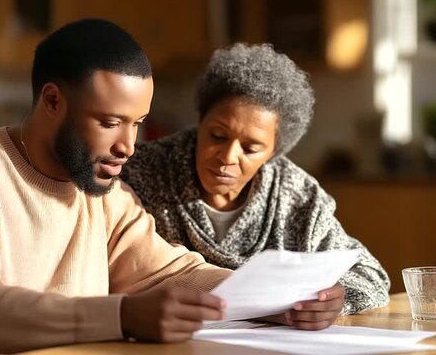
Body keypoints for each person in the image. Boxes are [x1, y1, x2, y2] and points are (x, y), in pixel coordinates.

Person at [0, 19, 232, 354]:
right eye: (110, 123)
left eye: (137, 124)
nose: (128, 145)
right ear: (53, 101)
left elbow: (171, 274)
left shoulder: (106, 195)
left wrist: (274, 299)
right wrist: (121, 315)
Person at [121, 43, 391, 322]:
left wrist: (336, 297)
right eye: (217, 135)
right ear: (200, 120)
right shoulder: (141, 173)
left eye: (250, 148)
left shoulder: (298, 198)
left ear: (274, 152)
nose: (227, 156)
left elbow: (371, 275)